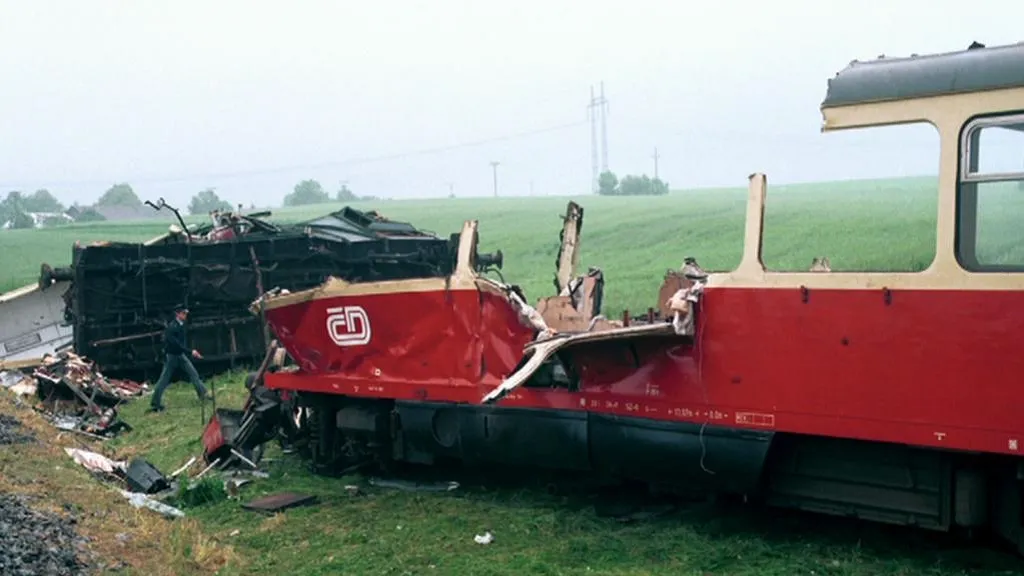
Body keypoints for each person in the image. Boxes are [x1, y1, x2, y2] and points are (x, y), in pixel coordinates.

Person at [148, 306, 211, 412]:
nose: (185, 315)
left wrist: (187, 351)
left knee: (194, 374)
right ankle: (155, 403)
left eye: (186, 313)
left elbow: (180, 345)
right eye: (183, 313)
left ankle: (203, 395)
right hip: (172, 357)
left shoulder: (181, 325)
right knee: (164, 380)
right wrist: (191, 351)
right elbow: (176, 345)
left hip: (180, 355)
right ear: (177, 314)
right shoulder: (172, 328)